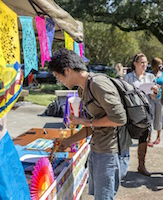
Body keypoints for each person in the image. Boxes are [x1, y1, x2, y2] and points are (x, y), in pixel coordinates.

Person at [48, 48, 129, 200]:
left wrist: (86, 121)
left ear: (68, 70)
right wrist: (68, 141)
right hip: (98, 149)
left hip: (108, 152)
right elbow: (93, 127)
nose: (59, 81)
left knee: (103, 197)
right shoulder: (82, 90)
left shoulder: (98, 84)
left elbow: (119, 118)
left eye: (58, 76)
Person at [123, 53, 159, 176]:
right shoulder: (128, 78)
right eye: (142, 62)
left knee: (143, 139)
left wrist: (155, 92)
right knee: (126, 138)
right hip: (131, 112)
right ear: (135, 64)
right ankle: (122, 165)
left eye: (146, 62)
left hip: (146, 113)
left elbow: (154, 98)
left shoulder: (150, 77)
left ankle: (141, 165)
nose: (144, 65)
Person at [150, 57, 163, 145]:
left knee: (159, 118)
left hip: (159, 98)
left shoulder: (162, 74)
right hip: (151, 97)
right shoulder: (149, 75)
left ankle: (158, 137)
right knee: (150, 118)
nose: (161, 66)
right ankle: (149, 138)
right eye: (159, 64)